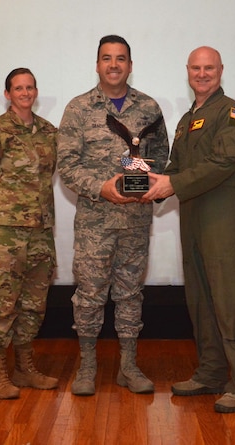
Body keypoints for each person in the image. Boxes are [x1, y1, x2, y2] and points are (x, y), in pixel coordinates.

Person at [143, 46, 235, 414]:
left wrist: (172, 185)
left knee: (232, 301)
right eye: (196, 67)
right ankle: (210, 372)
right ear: (188, 71)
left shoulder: (233, 114)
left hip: (222, 218)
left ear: (221, 70)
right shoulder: (187, 119)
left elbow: (223, 161)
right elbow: (176, 167)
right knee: (201, 299)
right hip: (192, 217)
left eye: (209, 67)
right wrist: (147, 183)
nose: (202, 73)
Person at [57, 35, 169, 396]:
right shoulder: (79, 108)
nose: (114, 64)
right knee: (89, 294)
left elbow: (162, 158)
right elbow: (67, 166)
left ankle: (128, 365)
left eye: (121, 58)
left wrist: (147, 181)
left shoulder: (149, 108)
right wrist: (101, 186)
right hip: (95, 222)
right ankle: (87, 365)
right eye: (107, 58)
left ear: (130, 65)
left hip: (135, 221)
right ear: (97, 65)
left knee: (130, 294)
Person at [0, 67, 59, 400]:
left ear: (36, 92)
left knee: (34, 303)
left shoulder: (49, 132)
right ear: (7, 94)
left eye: (30, 87)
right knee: (2, 303)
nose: (24, 93)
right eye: (18, 88)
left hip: (40, 232)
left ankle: (24, 368)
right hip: (4, 236)